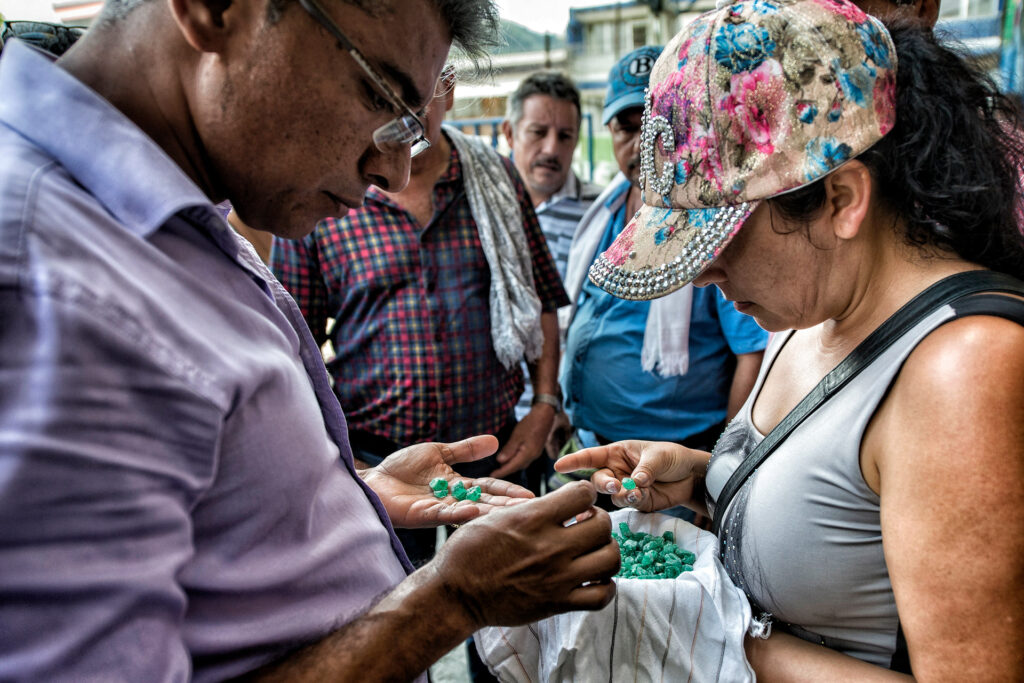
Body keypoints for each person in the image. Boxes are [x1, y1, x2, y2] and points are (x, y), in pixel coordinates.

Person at [0, 0, 621, 680]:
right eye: (381, 95)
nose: (394, 171)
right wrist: (452, 599)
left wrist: (350, 491)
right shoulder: (48, 279)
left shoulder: (168, 218)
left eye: (411, 125)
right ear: (218, 11)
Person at [557, 0, 1024, 677]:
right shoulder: (808, 310)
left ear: (841, 199)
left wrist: (712, 632)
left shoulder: (963, 369)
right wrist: (703, 478)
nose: (705, 272)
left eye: (721, 238)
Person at [271, 67, 566, 546]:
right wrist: (345, 467)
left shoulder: (496, 178)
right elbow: (289, 344)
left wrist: (544, 407)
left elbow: (542, 300)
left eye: (418, 98)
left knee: (511, 607)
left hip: (494, 453)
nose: (402, 121)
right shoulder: (328, 192)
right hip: (378, 467)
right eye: (387, 100)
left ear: (447, 88)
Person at [557, 46, 769, 499]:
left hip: (669, 469)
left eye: (655, 127)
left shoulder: (709, 224)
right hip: (589, 448)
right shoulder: (605, 210)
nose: (640, 145)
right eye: (625, 128)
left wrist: (716, 476)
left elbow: (752, 352)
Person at [502, 71, 601, 281]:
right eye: (538, 132)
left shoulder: (601, 212)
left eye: (565, 136)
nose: (551, 149)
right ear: (510, 134)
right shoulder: (485, 203)